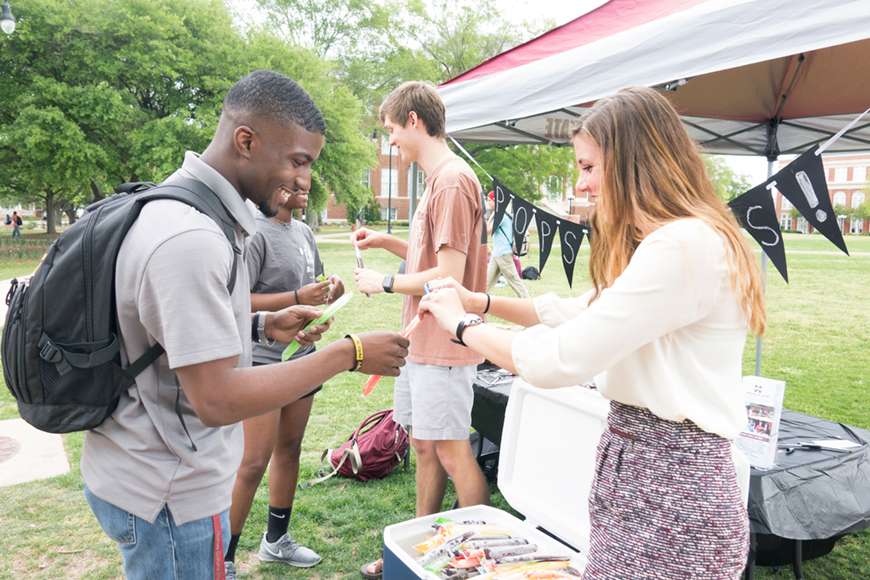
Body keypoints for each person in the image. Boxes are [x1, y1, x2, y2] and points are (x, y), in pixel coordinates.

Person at [418, 86, 766, 580]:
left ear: (633, 162)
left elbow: (559, 358)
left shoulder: (683, 245)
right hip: (649, 477)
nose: (581, 186)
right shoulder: (679, 239)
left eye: (588, 167)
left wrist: (462, 324)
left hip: (669, 495)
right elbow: (580, 310)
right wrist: (481, 301)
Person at [80, 70, 408, 580]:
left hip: (156, 477)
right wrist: (350, 353)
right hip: (168, 498)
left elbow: (170, 338)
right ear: (246, 141)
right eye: (298, 161)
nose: (304, 181)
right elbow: (216, 400)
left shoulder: (193, 214)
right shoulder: (191, 236)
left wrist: (260, 325)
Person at [351, 81, 490, 580]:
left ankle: (475, 553)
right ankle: (425, 551)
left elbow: (448, 273)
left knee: (451, 450)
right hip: (421, 344)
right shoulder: (436, 181)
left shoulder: (452, 180)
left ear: (413, 120)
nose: (390, 142)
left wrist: (383, 282)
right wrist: (388, 241)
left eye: (391, 130)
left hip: (446, 344)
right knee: (425, 445)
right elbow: (429, 257)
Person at [224, 190, 344, 575]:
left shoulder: (304, 232)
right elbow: (238, 298)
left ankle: (275, 541)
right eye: (296, 175)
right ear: (275, 184)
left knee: (289, 450)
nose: (305, 184)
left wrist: (329, 295)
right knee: (253, 462)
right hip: (262, 363)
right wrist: (295, 296)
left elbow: (311, 290)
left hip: (300, 360)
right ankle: (222, 558)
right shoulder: (254, 234)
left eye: (308, 174)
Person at [485, 191, 530, 299]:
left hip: (504, 253)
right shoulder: (502, 214)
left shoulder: (500, 216)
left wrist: (491, 217)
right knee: (487, 281)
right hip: (497, 253)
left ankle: (528, 302)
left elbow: (486, 232)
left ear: (496, 201)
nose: (488, 203)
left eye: (490, 200)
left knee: (514, 280)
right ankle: (477, 302)